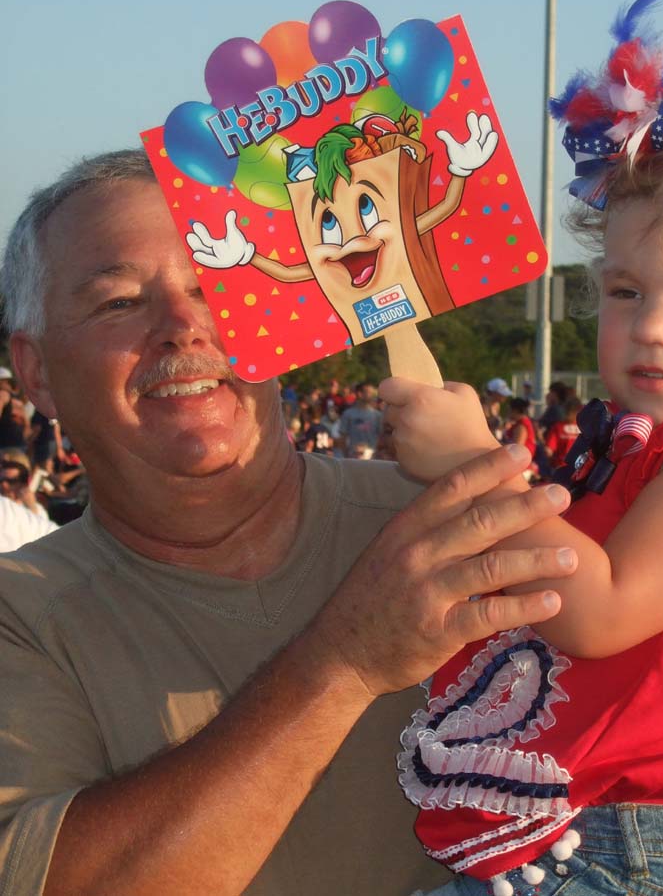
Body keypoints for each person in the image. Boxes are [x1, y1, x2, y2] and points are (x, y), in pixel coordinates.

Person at [0, 149, 576, 896]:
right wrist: (345, 661)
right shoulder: (23, 613)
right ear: (36, 369)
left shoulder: (452, 520)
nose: (182, 327)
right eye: (119, 303)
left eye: (215, 286)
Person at [382, 0, 663, 895]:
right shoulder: (632, 449)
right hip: (572, 834)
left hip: (633, 849)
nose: (650, 327)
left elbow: (601, 611)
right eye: (622, 292)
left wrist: (474, 465)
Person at [337, 381, 382, 457]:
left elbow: (382, 438)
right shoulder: (348, 414)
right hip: (354, 457)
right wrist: (346, 457)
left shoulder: (377, 415)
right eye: (369, 392)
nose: (372, 396)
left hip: (372, 458)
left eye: (373, 393)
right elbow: (342, 438)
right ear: (360, 394)